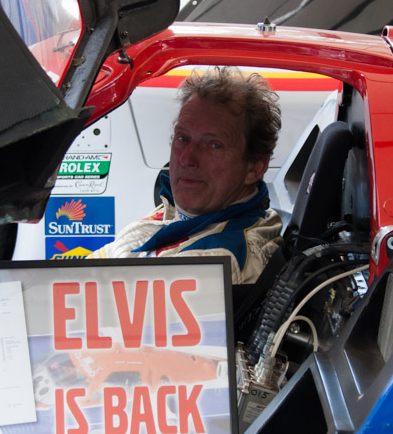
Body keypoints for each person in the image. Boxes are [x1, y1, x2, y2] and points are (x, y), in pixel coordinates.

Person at [90, 66, 282, 284]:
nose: (187, 158)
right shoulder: (178, 214)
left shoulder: (219, 260)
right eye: (183, 138)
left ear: (254, 168)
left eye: (214, 145)